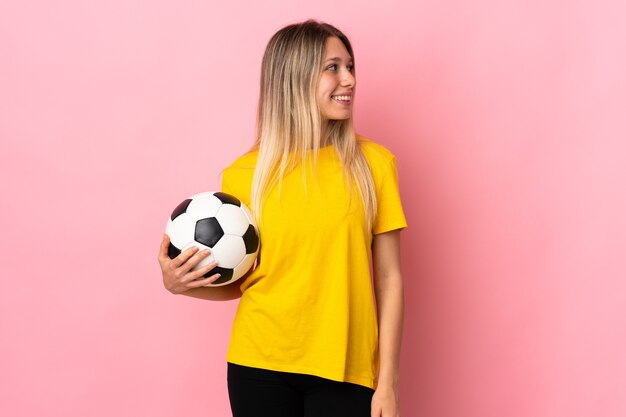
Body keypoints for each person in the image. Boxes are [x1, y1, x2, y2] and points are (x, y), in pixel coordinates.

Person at [157, 19, 407, 417]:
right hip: (258, 364)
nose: (350, 80)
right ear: (295, 77)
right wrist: (181, 285)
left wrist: (388, 382)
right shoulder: (244, 174)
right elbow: (244, 281)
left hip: (345, 369)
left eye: (351, 66)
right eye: (333, 67)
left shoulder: (373, 165)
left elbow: (390, 279)